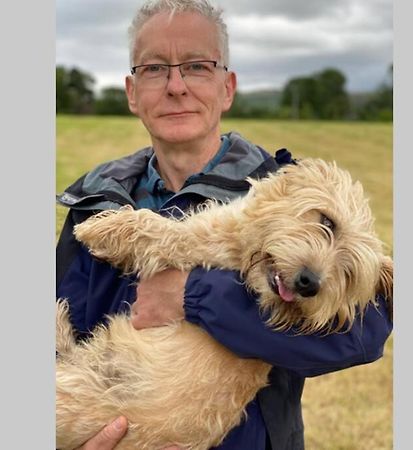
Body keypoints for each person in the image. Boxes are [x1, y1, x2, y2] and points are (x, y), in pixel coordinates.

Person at [56, 1, 393, 449]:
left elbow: (362, 332)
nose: (175, 86)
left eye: (196, 66)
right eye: (155, 68)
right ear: (132, 92)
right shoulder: (93, 196)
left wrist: (191, 296)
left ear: (227, 87)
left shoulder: (288, 194)